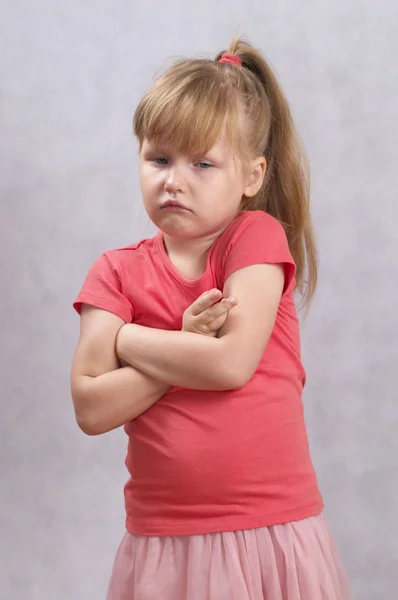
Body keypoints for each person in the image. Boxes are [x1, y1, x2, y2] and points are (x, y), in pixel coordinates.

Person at [71, 38, 350, 600]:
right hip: (163, 540)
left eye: (202, 163)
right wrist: (182, 341)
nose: (175, 179)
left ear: (252, 175)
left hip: (269, 528)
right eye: (159, 159)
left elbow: (228, 364)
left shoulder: (254, 238)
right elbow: (90, 405)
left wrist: (126, 338)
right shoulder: (115, 271)